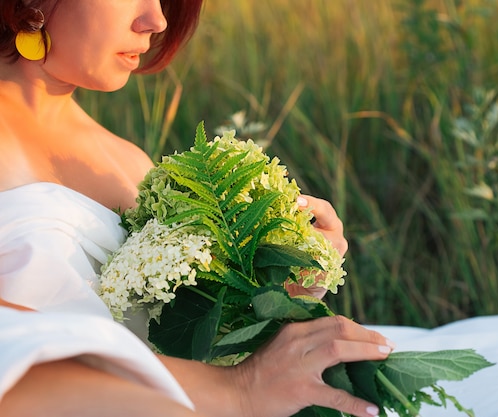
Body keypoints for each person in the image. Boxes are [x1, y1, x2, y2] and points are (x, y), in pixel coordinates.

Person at [0, 1, 396, 416]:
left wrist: (283, 286)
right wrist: (237, 389)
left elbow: (186, 338)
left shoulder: (130, 164)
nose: (156, 21)